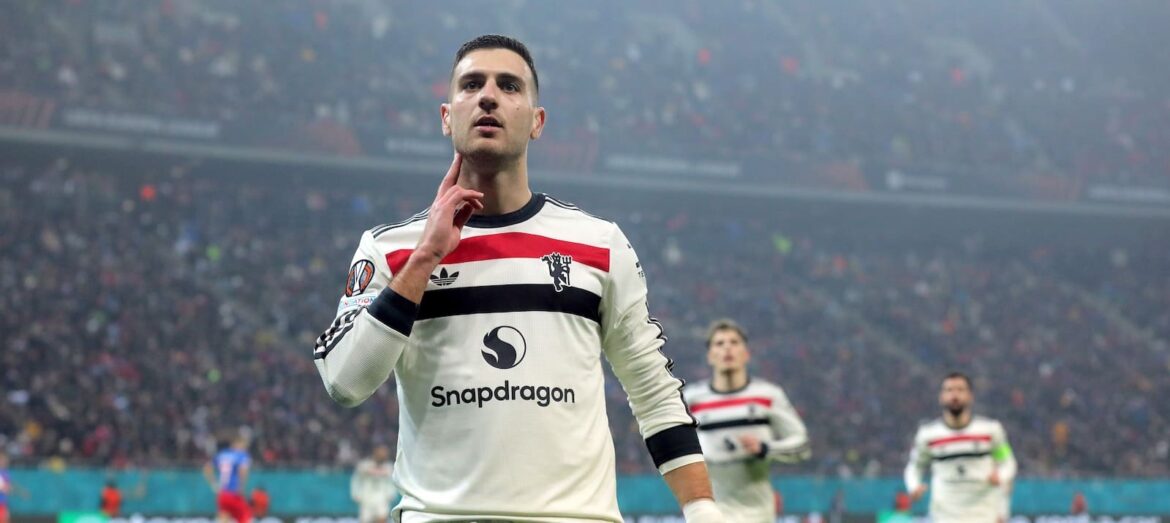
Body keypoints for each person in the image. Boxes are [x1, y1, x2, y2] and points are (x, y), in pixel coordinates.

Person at [313, 34, 722, 522]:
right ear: (446, 117)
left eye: (509, 86)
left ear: (537, 121)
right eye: (471, 85)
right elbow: (345, 382)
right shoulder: (390, 249)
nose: (488, 96)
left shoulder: (599, 243)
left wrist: (702, 509)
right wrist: (425, 258)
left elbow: (652, 387)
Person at [683, 320, 810, 522]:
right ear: (710, 356)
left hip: (757, 513)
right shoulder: (691, 400)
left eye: (734, 342)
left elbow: (802, 445)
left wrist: (766, 448)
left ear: (746, 353)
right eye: (719, 343)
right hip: (710, 511)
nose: (727, 347)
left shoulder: (768, 396)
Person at [905, 372, 1017, 523]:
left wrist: (1001, 476)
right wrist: (913, 486)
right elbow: (915, 466)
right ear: (941, 397)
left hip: (983, 514)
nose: (955, 395)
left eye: (960, 389)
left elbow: (1008, 462)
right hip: (945, 515)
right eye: (949, 390)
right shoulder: (928, 435)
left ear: (970, 396)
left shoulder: (990, 431)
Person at [204, 437, 252, 523]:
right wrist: (241, 487)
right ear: (236, 444)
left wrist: (214, 485)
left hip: (222, 494)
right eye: (243, 446)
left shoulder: (221, 454)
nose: (244, 449)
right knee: (245, 516)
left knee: (224, 518)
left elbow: (207, 468)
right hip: (234, 493)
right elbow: (243, 471)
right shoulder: (241, 455)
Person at [351, 446, 397, 523]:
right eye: (381, 453)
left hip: (382, 499)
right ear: (375, 453)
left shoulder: (389, 467)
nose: (383, 455)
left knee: (382, 519)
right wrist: (355, 494)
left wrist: (391, 494)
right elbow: (356, 479)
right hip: (366, 499)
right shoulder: (364, 465)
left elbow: (393, 482)